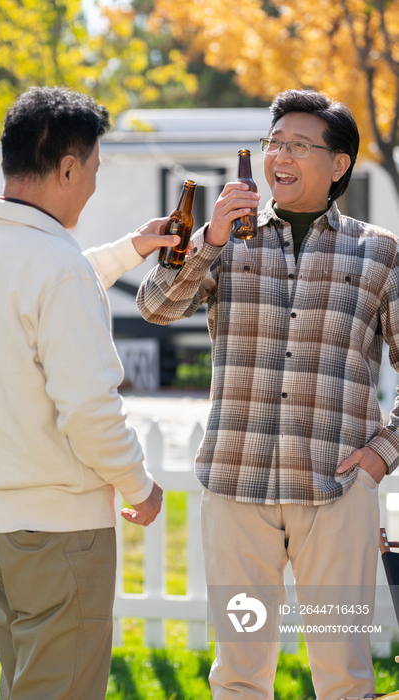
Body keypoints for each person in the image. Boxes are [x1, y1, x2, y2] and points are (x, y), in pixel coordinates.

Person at [137, 89, 399, 700]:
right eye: (273, 143)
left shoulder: (380, 252)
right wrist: (210, 238)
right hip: (237, 493)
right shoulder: (229, 240)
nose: (280, 156)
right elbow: (154, 305)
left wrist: (381, 453)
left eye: (299, 146)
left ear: (339, 165)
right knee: (239, 676)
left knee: (345, 678)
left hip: (336, 494)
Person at [0, 86, 181, 700]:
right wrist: (140, 486)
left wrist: (132, 247)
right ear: (69, 166)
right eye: (94, 170)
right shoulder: (55, 266)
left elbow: (50, 285)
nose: (94, 185)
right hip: (58, 537)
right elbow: (89, 408)